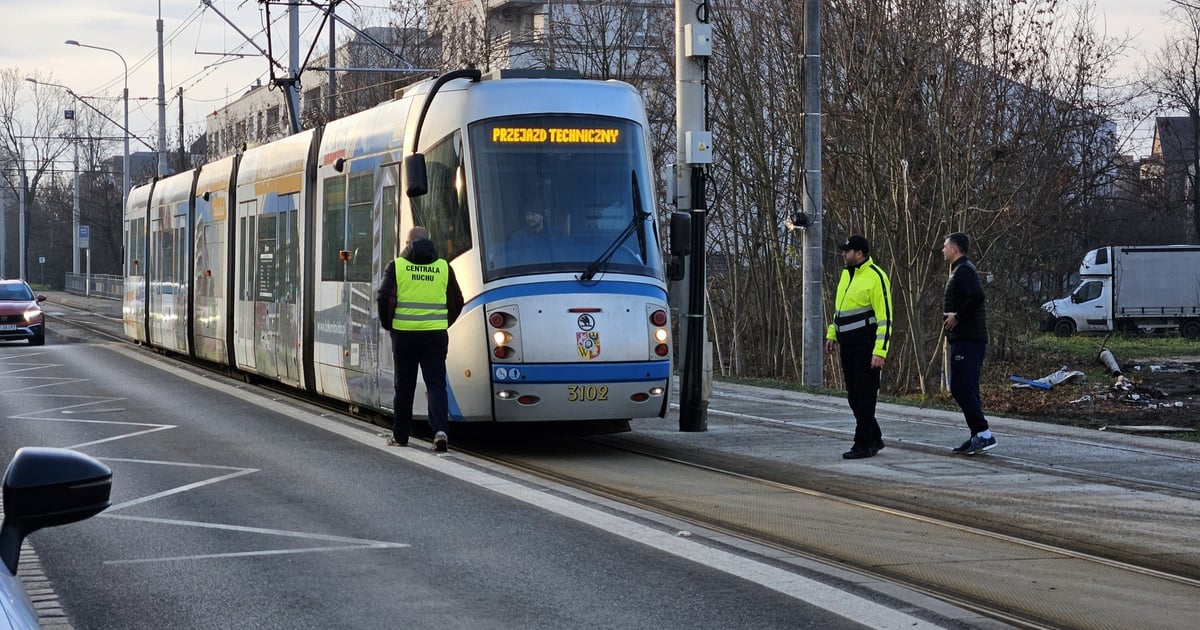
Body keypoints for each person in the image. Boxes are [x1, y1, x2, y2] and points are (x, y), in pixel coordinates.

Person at [376, 226, 464, 452]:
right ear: (429, 241)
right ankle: (440, 432)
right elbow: (457, 300)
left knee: (404, 386)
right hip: (435, 335)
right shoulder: (443, 267)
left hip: (404, 335)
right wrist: (442, 323)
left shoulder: (397, 266)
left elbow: (384, 298)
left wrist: (390, 325)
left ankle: (400, 436)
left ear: (408, 243)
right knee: (436, 384)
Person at [825, 235, 894, 459]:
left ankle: (863, 443)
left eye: (848, 251)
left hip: (866, 346)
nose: (844, 254)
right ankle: (874, 436)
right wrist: (832, 334)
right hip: (848, 345)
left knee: (865, 396)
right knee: (854, 396)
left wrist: (880, 351)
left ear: (860, 253)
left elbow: (885, 318)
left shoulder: (876, 276)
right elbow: (840, 310)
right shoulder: (846, 275)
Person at [941, 232, 996, 455]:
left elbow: (977, 296)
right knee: (967, 387)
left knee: (960, 386)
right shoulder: (961, 269)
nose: (942, 250)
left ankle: (983, 432)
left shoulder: (964, 270)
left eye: (945, 246)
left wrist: (957, 316)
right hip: (965, 338)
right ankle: (978, 434)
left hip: (968, 339)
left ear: (954, 249)